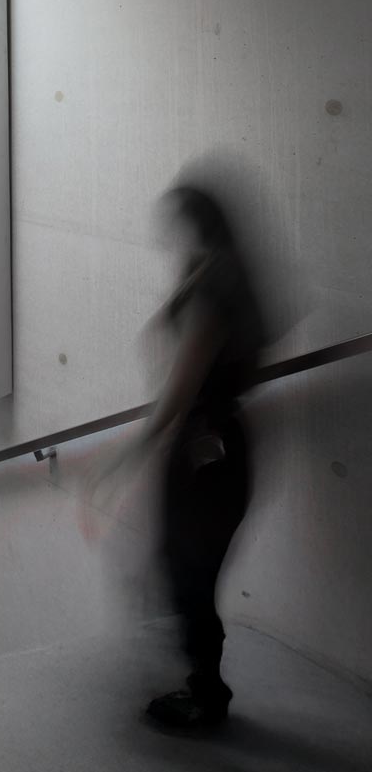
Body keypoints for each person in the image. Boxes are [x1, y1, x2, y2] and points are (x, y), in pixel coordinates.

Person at [94, 182, 265, 731]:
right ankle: (201, 681)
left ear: (199, 220)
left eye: (181, 219)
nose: (172, 232)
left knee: (187, 569)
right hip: (215, 442)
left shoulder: (218, 283)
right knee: (184, 566)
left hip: (204, 452)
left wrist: (129, 455)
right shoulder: (220, 269)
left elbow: (185, 381)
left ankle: (205, 695)